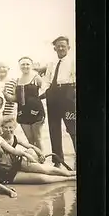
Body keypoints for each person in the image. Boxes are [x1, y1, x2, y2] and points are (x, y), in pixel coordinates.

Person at [0, 118, 75, 184]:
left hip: (16, 162)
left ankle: (71, 173)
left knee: (44, 169)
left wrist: (26, 155)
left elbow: (13, 151)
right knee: (42, 178)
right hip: (5, 174)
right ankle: (69, 179)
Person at [0, 116, 75, 177]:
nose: (8, 130)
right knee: (44, 171)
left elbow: (31, 146)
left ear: (14, 128)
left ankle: (70, 174)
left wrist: (40, 153)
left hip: (17, 162)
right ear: (1, 128)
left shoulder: (15, 138)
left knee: (43, 167)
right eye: (6, 127)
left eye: (10, 127)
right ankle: (69, 174)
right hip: (9, 165)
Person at [42, 36, 76, 169]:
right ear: (54, 48)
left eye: (63, 45)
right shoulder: (51, 63)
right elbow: (47, 80)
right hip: (53, 95)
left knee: (72, 127)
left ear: (68, 47)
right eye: (58, 46)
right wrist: (44, 93)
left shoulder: (73, 61)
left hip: (68, 94)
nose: (61, 48)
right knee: (54, 127)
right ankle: (57, 160)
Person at [6, 57, 46, 151]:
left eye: (27, 64)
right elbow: (15, 98)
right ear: (19, 66)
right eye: (23, 64)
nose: (25, 66)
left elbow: (46, 90)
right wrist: (6, 95)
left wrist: (36, 100)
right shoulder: (17, 80)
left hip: (36, 111)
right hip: (22, 111)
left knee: (38, 138)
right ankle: (35, 159)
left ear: (31, 65)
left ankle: (42, 159)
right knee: (30, 140)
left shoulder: (36, 77)